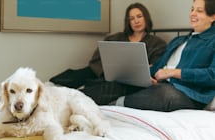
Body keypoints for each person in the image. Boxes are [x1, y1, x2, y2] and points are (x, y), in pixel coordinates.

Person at [82, 0, 215, 112]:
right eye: (192, 9)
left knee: (165, 93)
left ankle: (114, 105)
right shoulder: (179, 41)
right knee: (120, 83)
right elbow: (158, 66)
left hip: (188, 93)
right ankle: (74, 99)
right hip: (161, 84)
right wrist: (144, 75)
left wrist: (173, 73)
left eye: (199, 11)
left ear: (212, 16)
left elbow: (212, 75)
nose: (192, 14)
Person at [49, 2, 167, 90]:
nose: (136, 21)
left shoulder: (157, 44)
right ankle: (51, 86)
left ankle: (81, 95)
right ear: (128, 22)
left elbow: (156, 67)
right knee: (76, 75)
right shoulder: (114, 38)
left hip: (128, 80)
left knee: (105, 87)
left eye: (139, 16)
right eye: (131, 18)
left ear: (146, 18)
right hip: (102, 72)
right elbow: (96, 61)